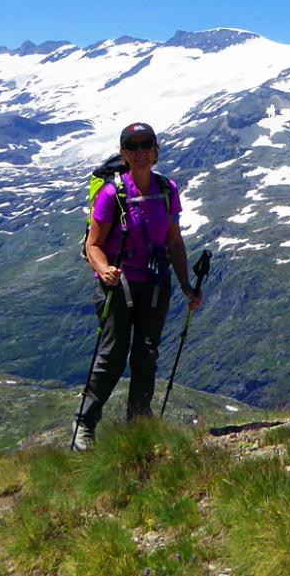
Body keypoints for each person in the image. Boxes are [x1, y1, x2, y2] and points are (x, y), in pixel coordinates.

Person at [73, 122, 203, 450]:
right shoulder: (112, 194)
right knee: (112, 355)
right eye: (133, 147)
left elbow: (174, 242)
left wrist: (187, 286)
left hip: (156, 284)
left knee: (146, 355)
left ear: (156, 151)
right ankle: (85, 424)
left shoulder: (166, 190)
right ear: (124, 154)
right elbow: (93, 245)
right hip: (118, 287)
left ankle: (139, 427)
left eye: (147, 145)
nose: (141, 152)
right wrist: (104, 270)